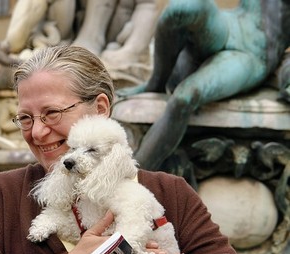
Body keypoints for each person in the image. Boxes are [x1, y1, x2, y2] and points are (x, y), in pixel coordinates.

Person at [0, 45, 252, 254]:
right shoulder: (1, 195)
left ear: (100, 107)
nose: (37, 132)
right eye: (25, 118)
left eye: (52, 113)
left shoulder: (169, 190)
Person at [117, 0, 290, 171]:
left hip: (253, 53)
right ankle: (156, 83)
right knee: (181, 9)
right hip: (230, 23)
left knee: (184, 98)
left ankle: (133, 179)